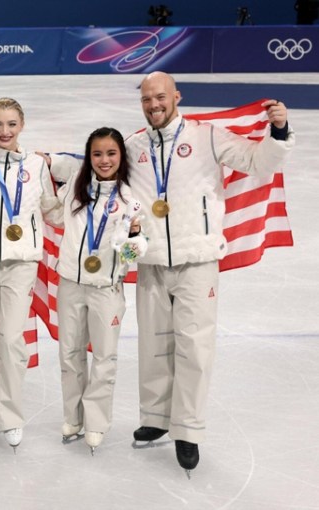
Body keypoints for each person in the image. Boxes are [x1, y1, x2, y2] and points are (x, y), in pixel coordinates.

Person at [125, 72, 293, 475]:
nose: (154, 105)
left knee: (194, 348)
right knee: (153, 344)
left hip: (197, 260)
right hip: (151, 261)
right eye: (147, 99)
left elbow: (258, 161)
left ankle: (187, 430)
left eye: (160, 97)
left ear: (177, 97)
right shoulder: (133, 146)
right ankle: (156, 417)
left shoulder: (208, 137)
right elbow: (99, 168)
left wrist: (279, 130)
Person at [0, 98, 60, 452]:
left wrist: (86, 201)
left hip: (21, 263)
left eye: (12, 124)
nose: (5, 131)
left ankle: (12, 416)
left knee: (12, 338)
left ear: (22, 125)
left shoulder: (36, 165)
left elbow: (52, 210)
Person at [52, 127, 145, 455]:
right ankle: (72, 417)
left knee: (104, 358)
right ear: (89, 157)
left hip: (106, 289)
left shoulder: (131, 201)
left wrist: (134, 236)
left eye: (111, 153)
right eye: (97, 154)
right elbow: (54, 170)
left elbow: (133, 256)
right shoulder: (75, 190)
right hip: (70, 284)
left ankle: (96, 421)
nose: (104, 160)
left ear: (121, 157)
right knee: (70, 354)